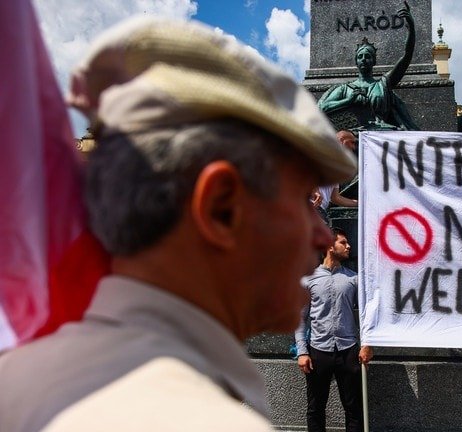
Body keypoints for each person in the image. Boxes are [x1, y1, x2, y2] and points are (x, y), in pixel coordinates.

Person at [0, 17, 357, 432]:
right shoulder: (208, 422)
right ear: (220, 209)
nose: (323, 234)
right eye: (301, 199)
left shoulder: (20, 378)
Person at [295, 227, 373, 432]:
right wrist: (302, 352)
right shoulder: (308, 279)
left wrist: (367, 344)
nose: (348, 246)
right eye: (343, 242)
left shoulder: (354, 279)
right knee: (315, 408)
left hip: (348, 350)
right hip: (318, 350)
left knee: (354, 408)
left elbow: (367, 314)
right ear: (330, 246)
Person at [317, 2, 419, 131]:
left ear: (374, 61)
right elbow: (322, 108)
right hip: (353, 135)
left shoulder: (383, 84)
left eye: (367, 56)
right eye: (360, 57)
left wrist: (411, 28)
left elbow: (407, 56)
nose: (364, 59)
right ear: (356, 62)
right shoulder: (345, 89)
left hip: (381, 134)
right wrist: (348, 100)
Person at [314, 130, 359, 221]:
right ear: (341, 140)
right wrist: (315, 191)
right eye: (352, 142)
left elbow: (335, 198)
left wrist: (361, 203)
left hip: (319, 209)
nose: (353, 147)